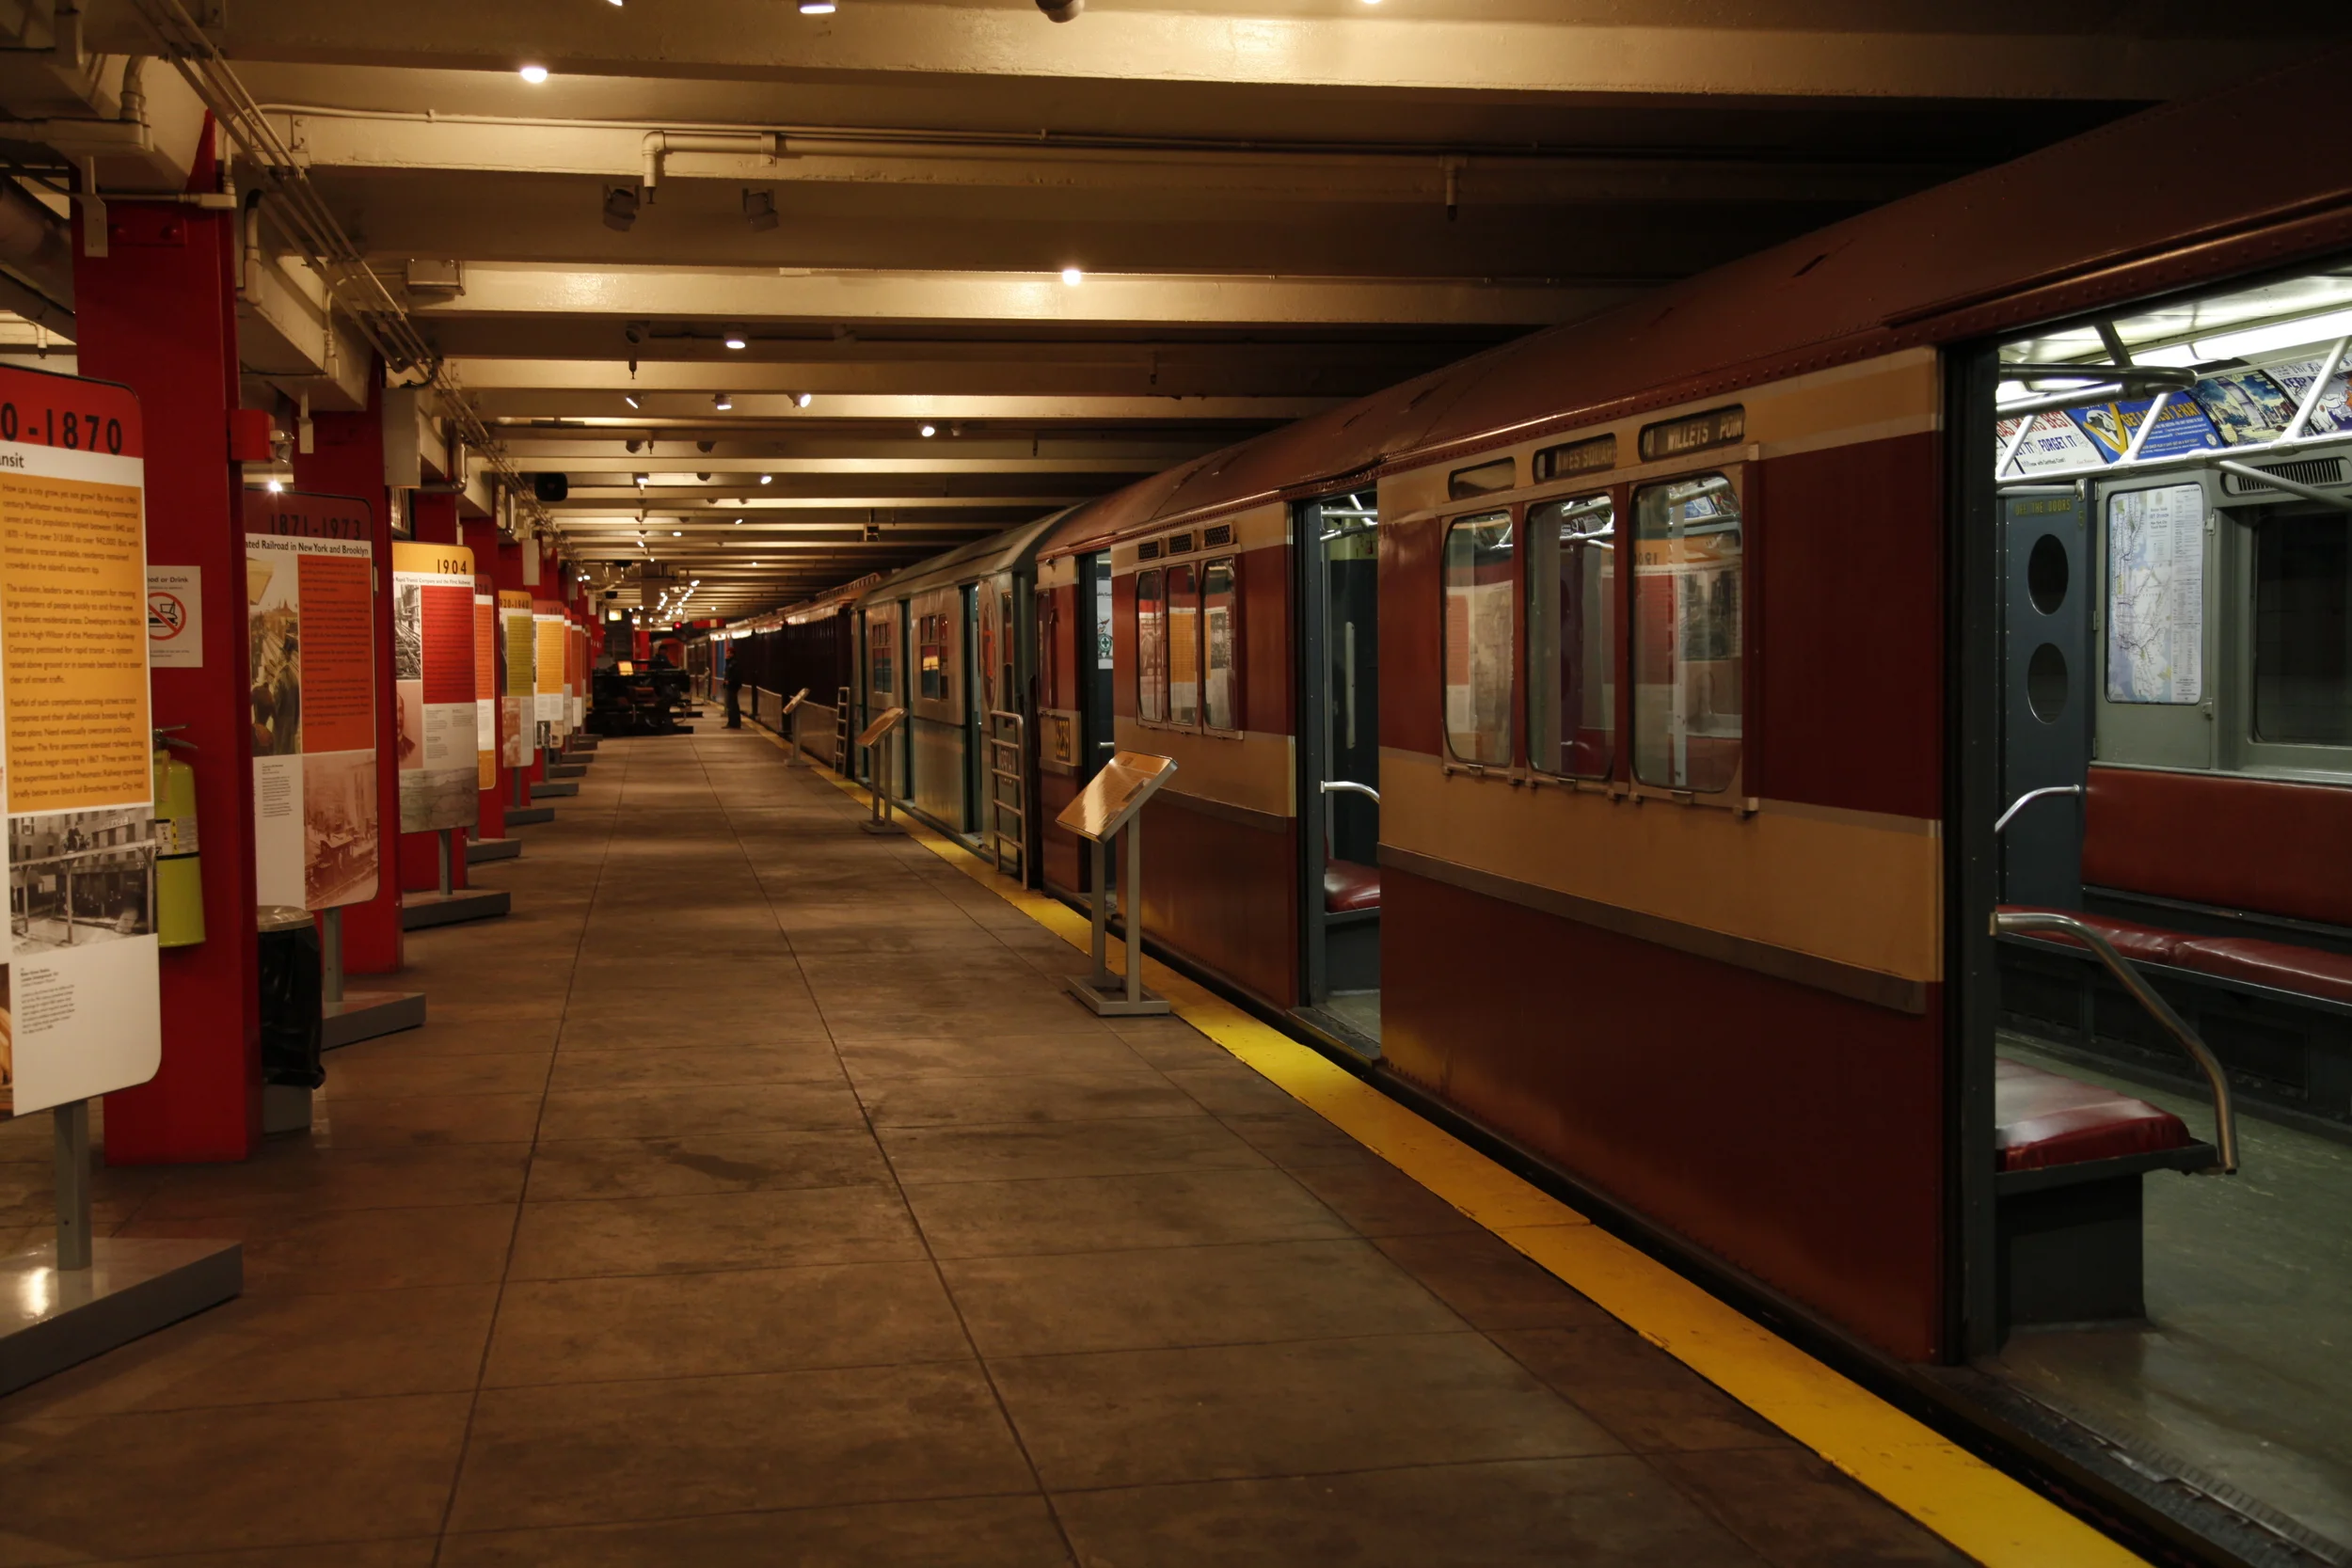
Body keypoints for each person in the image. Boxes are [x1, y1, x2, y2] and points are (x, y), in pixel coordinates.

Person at [723, 659, 744, 729]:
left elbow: (734, 676)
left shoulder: (734, 664)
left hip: (732, 687)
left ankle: (734, 723)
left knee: (732, 705)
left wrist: (729, 681)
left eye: (729, 653)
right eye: (727, 652)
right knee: (731, 705)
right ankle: (732, 722)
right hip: (730, 686)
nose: (727, 654)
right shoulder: (729, 663)